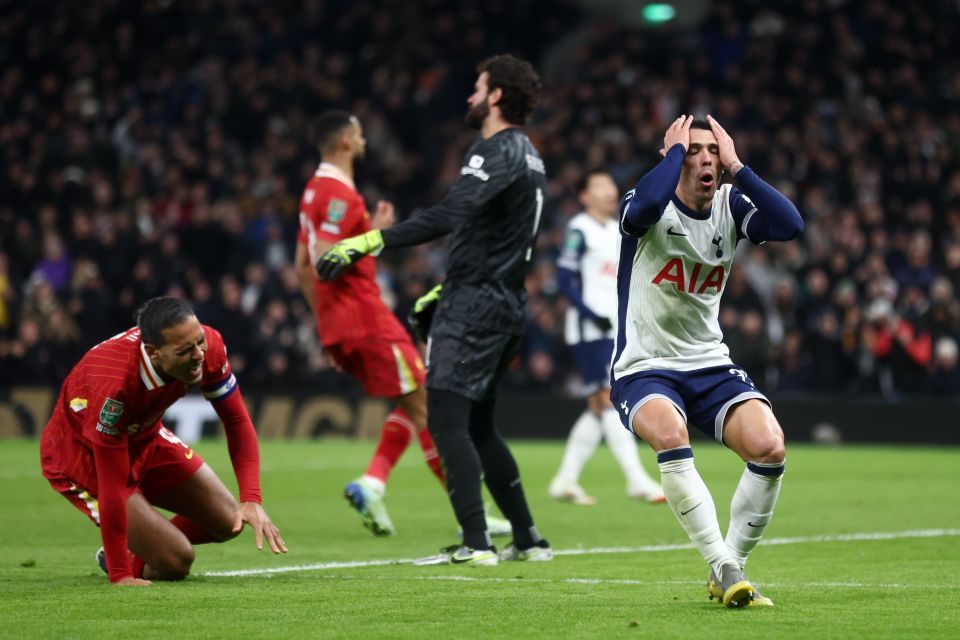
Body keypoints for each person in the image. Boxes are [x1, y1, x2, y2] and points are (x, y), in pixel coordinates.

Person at [316, 54, 551, 566]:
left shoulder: (495, 149)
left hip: (477, 305)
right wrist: (449, 287)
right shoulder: (531, 155)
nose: (469, 96)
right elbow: (495, 233)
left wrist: (370, 241)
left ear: (495, 96)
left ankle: (476, 544)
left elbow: (452, 212)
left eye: (477, 86)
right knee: (482, 426)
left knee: (446, 418)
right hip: (503, 300)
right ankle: (528, 538)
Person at [611, 115, 803, 607]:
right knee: (671, 436)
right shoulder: (646, 200)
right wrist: (671, 154)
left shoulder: (730, 204)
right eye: (694, 149)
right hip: (644, 364)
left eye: (712, 151)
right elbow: (649, 205)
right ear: (673, 154)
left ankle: (728, 565)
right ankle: (722, 563)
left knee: (770, 447)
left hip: (709, 362)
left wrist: (740, 167)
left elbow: (789, 224)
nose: (705, 158)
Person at [294, 110, 510, 537]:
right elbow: (324, 263)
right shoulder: (338, 195)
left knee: (411, 402)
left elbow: (302, 267)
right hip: (366, 318)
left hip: (343, 323)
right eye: (359, 135)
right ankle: (474, 515)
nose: (364, 142)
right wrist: (373, 239)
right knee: (432, 409)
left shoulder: (312, 191)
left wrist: (328, 326)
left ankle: (373, 482)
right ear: (345, 142)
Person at [40, 296, 287, 585]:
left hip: (144, 433)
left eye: (199, 342)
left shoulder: (208, 346)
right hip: (84, 455)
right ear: (154, 354)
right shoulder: (115, 386)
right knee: (177, 560)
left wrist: (251, 498)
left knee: (229, 521)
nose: (198, 355)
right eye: (185, 350)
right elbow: (112, 485)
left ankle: (149, 543)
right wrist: (121, 575)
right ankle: (127, 556)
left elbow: (237, 421)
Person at [549, 169, 665, 506]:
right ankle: (637, 480)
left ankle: (565, 480)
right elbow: (564, 278)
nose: (608, 191)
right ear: (584, 196)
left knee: (598, 408)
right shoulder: (578, 229)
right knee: (608, 400)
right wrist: (590, 316)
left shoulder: (618, 229)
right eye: (599, 186)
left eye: (610, 186)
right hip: (591, 330)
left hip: (618, 325)